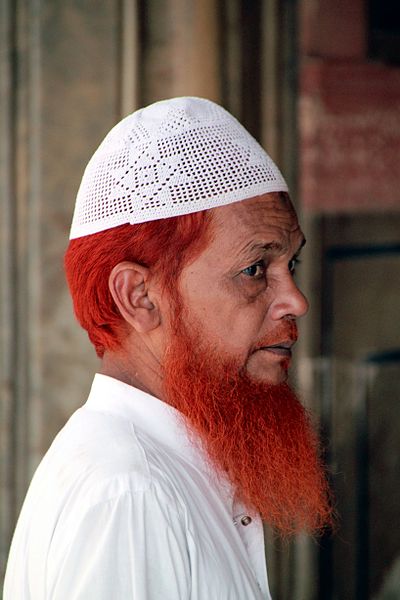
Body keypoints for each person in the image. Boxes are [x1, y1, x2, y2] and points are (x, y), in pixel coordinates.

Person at [4, 97, 333, 599]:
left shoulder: (163, 472)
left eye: (292, 265)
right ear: (140, 296)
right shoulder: (131, 495)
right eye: (254, 270)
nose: (295, 301)